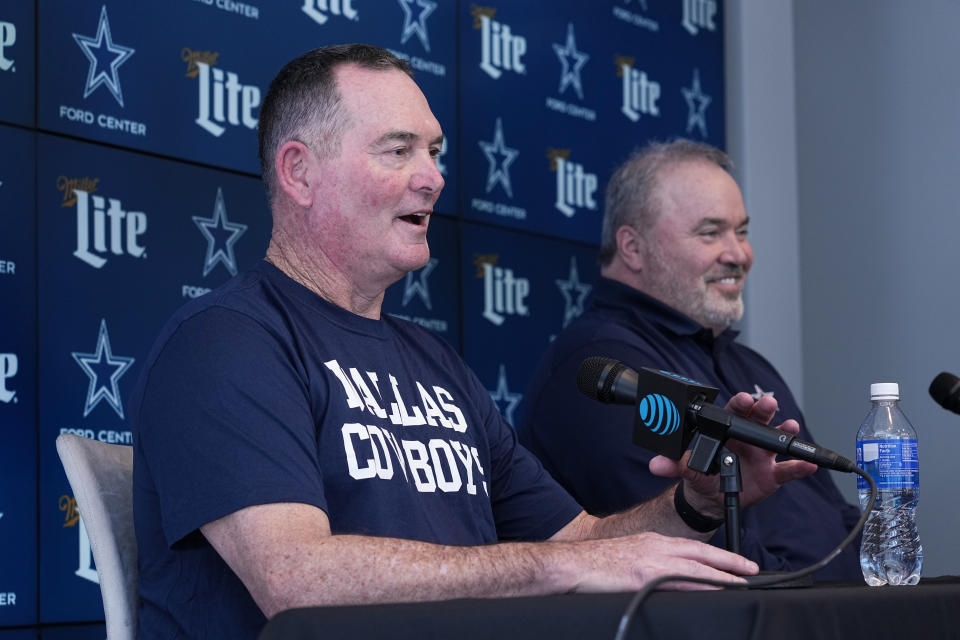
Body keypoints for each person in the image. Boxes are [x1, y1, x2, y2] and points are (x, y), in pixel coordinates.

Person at [129, 46, 815, 638]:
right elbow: (295, 578)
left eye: (434, 152)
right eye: (398, 150)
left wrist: (692, 501)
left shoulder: (434, 362)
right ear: (300, 172)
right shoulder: (225, 343)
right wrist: (563, 569)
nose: (433, 176)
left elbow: (582, 540)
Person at [518, 139, 862, 581]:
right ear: (633, 248)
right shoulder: (607, 362)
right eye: (710, 232)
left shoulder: (749, 365)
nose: (738, 254)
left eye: (742, 231)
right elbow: (696, 546)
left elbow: (833, 512)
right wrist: (831, 605)